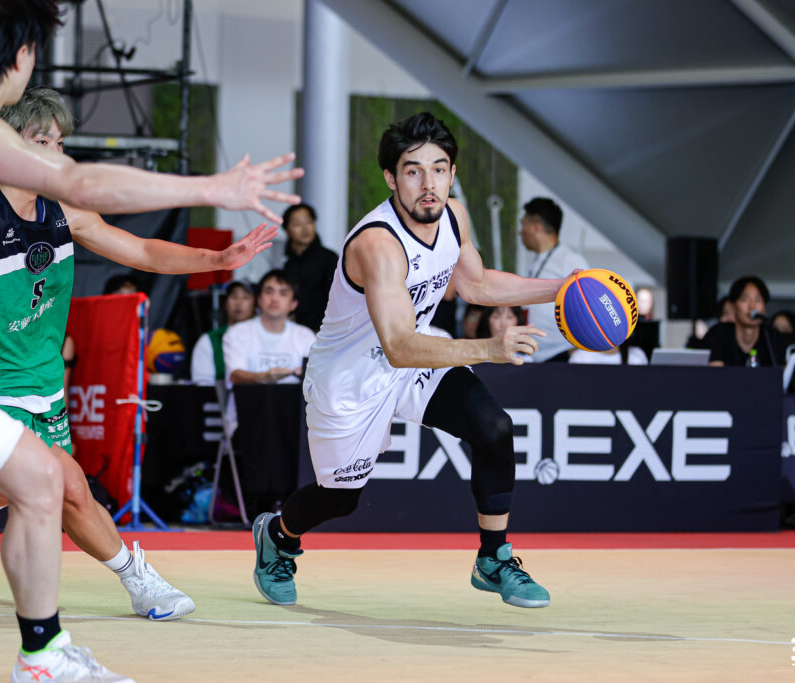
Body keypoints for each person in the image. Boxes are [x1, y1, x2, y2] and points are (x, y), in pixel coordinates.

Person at [0, 3, 300, 679]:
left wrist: (215, 259)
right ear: (20, 54)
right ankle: (32, 619)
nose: (56, 151)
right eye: (45, 140)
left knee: (46, 483)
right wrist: (215, 186)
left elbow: (131, 239)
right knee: (43, 483)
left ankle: (42, 650)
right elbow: (80, 178)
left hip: (9, 380)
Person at [251, 112, 580, 611]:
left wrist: (566, 287)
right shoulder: (377, 244)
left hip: (415, 355)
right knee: (341, 498)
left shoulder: (453, 215)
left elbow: (476, 284)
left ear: (452, 173)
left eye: (439, 169)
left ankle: (494, 559)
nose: (429, 184)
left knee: (494, 427)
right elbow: (399, 346)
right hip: (351, 378)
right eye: (413, 171)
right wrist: (490, 348)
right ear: (391, 178)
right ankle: (277, 536)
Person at [518, 197, 589, 362]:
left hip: (561, 356)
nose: (520, 232)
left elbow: (588, 307)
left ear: (536, 227)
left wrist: (573, 351)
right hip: (535, 356)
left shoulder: (570, 260)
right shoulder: (536, 261)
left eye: (523, 224)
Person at [223, 269, 316, 386]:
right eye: (269, 291)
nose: (274, 298)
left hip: (294, 398)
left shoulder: (305, 336)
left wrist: (306, 375)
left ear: (293, 304)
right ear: (259, 299)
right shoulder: (237, 333)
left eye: (283, 293)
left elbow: (318, 377)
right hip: (249, 397)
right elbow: (235, 375)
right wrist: (264, 377)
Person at [699, 276, 787, 367]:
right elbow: (715, 373)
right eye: (745, 299)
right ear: (733, 307)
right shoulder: (718, 334)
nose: (752, 307)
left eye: (758, 300)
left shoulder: (772, 336)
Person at [281, 203, 338, 332]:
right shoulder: (288, 263)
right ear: (286, 230)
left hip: (322, 331)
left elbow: (336, 298)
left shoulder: (328, 258)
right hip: (295, 331)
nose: (305, 228)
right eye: (297, 224)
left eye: (309, 222)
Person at [190, 280, 257, 384]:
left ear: (256, 305)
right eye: (234, 297)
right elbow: (203, 385)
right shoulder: (210, 340)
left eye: (245, 297)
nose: (238, 303)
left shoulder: (264, 337)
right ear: (226, 303)